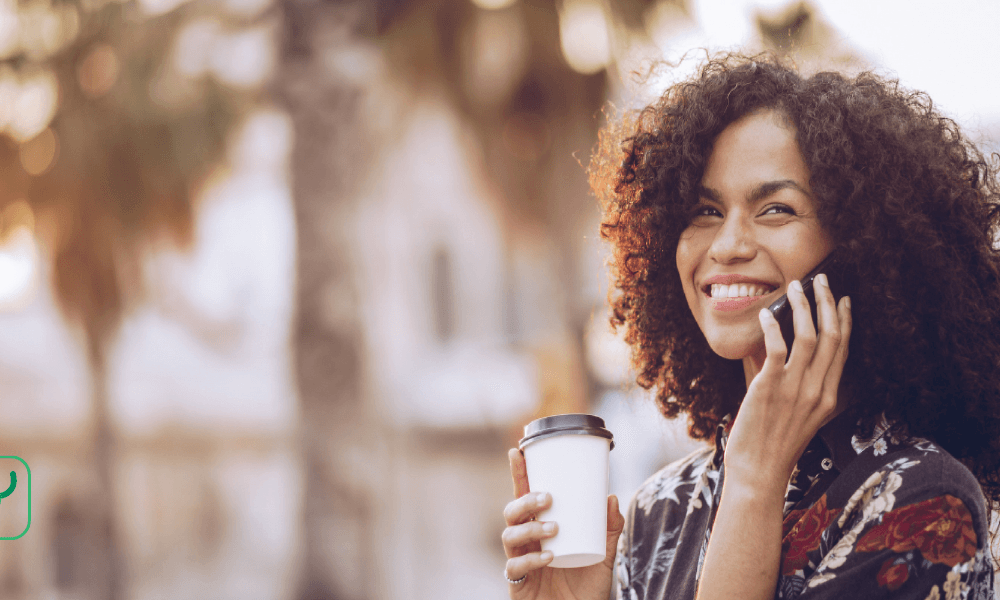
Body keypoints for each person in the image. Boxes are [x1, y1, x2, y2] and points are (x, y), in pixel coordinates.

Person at [501, 53, 1000, 600]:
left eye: (776, 209)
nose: (728, 245)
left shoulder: (925, 503)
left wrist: (755, 486)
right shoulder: (658, 511)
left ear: (863, 246)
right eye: (705, 211)